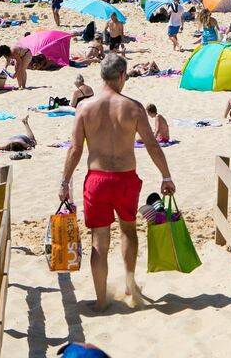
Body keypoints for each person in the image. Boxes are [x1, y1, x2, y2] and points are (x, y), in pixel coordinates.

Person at [60, 54, 176, 311]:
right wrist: (166, 176)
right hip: (125, 179)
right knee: (128, 230)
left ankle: (101, 301)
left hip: (97, 180)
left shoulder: (85, 108)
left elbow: (75, 149)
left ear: (102, 76)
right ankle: (130, 287)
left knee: (99, 240)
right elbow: (152, 145)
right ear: (122, 75)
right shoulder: (133, 107)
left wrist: (64, 182)